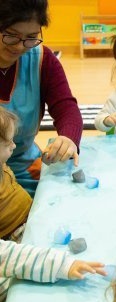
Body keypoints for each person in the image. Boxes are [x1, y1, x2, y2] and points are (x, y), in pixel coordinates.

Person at [0, 0, 82, 197]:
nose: (20, 47)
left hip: (25, 168)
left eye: (31, 37)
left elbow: (66, 108)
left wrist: (68, 138)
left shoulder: (41, 59)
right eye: (11, 36)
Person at [0, 107, 32, 242]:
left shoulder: (2, 162)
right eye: (8, 144)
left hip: (28, 216)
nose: (14, 146)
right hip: (14, 234)